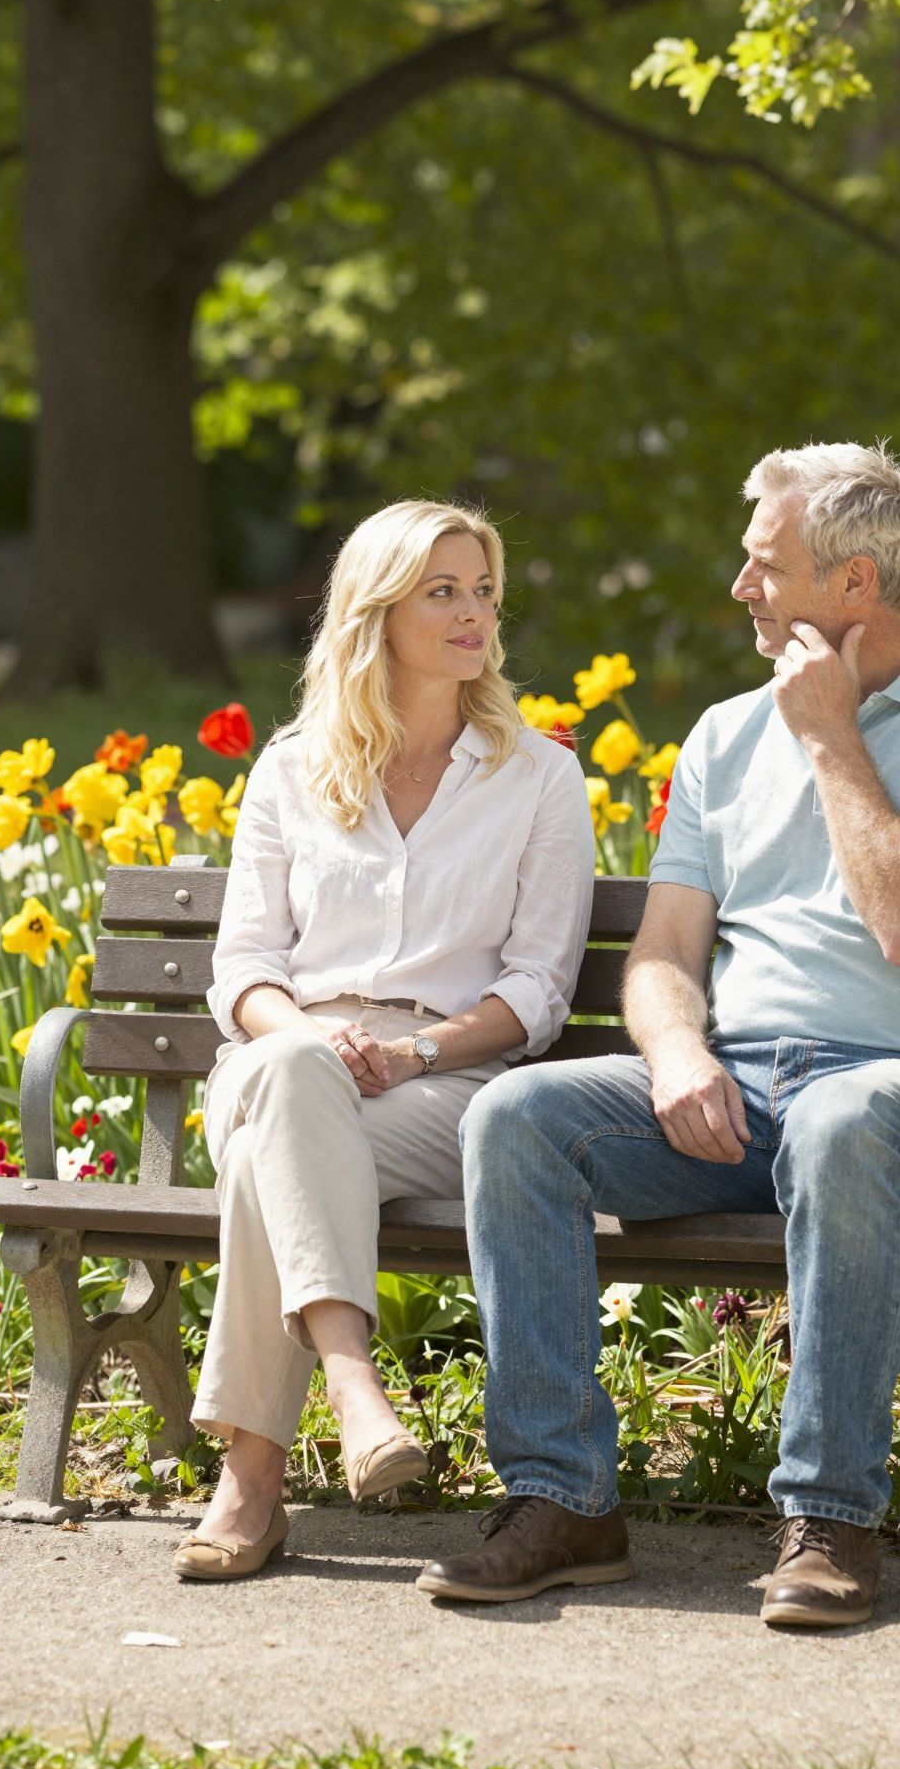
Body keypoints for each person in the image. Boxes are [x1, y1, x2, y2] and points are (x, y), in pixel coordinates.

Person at [417, 442, 900, 1626]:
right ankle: (560, 1498)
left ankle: (831, 1519)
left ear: (855, 586)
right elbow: (662, 955)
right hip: (742, 1092)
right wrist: (677, 1055)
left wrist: (827, 734)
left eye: (765, 565)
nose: (739, 588)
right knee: (518, 1116)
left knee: (843, 1118)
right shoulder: (721, 734)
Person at [173, 499, 594, 1582]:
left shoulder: (538, 776)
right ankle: (357, 1391)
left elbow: (538, 987)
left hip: (439, 1084)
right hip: (281, 1057)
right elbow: (245, 973)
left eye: (484, 590)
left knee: (280, 1148)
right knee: (287, 1075)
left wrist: (412, 1051)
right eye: (442, 591)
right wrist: (314, 1037)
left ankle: (253, 1485)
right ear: (376, 611)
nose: (475, 615)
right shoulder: (292, 768)